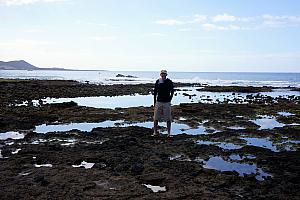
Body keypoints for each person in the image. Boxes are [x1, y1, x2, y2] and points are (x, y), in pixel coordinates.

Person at [153, 69, 174, 137]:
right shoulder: (158, 81)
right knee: (156, 118)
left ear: (166, 74)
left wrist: (170, 99)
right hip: (158, 102)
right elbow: (155, 92)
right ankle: (155, 132)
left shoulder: (169, 82)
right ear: (160, 74)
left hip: (167, 102)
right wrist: (154, 102)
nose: (163, 74)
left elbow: (172, 91)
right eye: (162, 73)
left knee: (168, 119)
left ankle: (169, 133)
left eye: (164, 73)